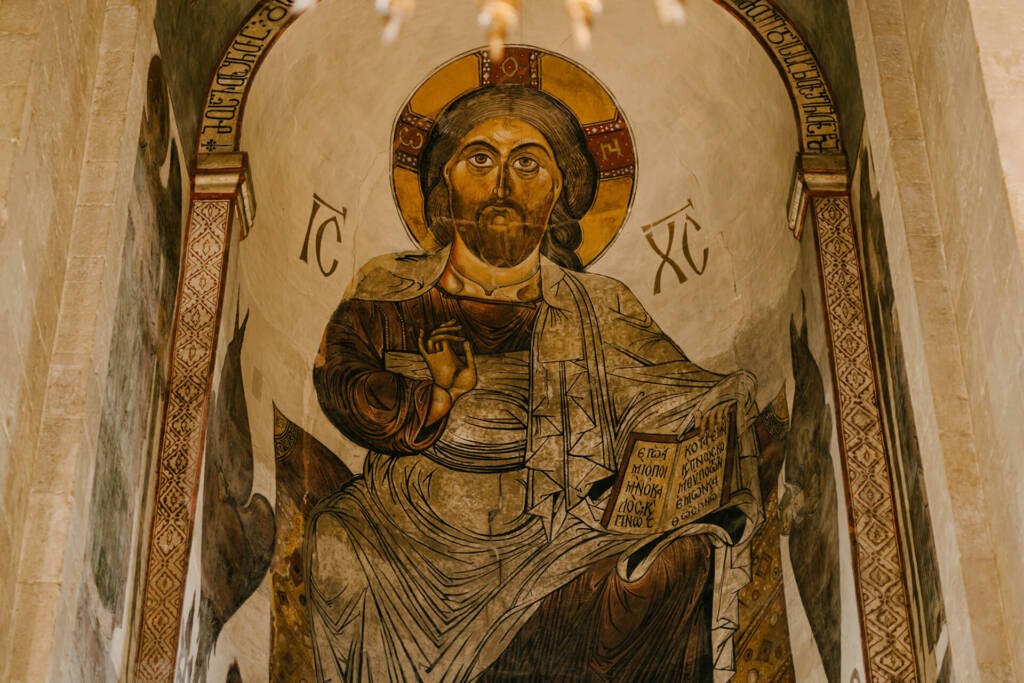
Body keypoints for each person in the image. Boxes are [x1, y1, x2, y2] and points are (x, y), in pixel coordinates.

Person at [305, 85, 762, 682]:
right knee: (337, 544)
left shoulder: (601, 304)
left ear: (559, 191)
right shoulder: (391, 285)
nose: (502, 183)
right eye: (480, 159)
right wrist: (436, 397)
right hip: (406, 526)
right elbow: (340, 379)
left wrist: (714, 411)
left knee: (671, 562)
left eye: (527, 163)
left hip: (564, 533)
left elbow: (667, 397)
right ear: (444, 184)